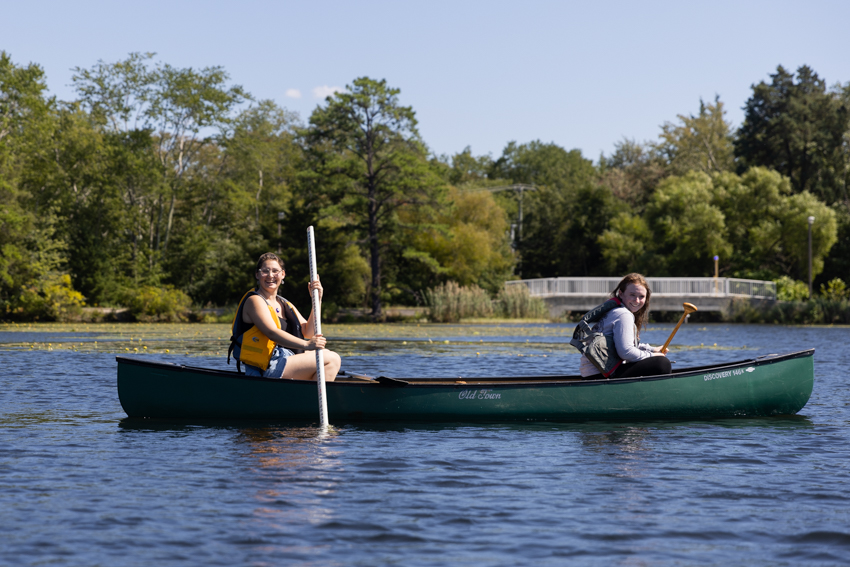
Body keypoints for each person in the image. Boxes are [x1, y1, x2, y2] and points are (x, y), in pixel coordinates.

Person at [228, 252, 341, 381]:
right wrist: (306, 345)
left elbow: (309, 331)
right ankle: (311, 398)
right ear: (257, 275)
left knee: (326, 354)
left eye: (275, 271)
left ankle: (310, 397)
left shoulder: (284, 303)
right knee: (332, 359)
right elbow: (272, 332)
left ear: (283, 274)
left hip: (285, 361)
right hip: (268, 367)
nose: (270, 275)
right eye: (265, 271)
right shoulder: (254, 300)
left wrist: (317, 300)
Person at [577, 273, 671, 379]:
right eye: (632, 295)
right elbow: (626, 352)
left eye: (641, 296)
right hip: (600, 375)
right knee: (662, 363)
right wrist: (653, 356)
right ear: (621, 294)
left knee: (656, 361)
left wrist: (652, 349)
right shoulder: (623, 314)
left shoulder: (615, 311)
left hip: (593, 374)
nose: (637, 300)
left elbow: (622, 343)